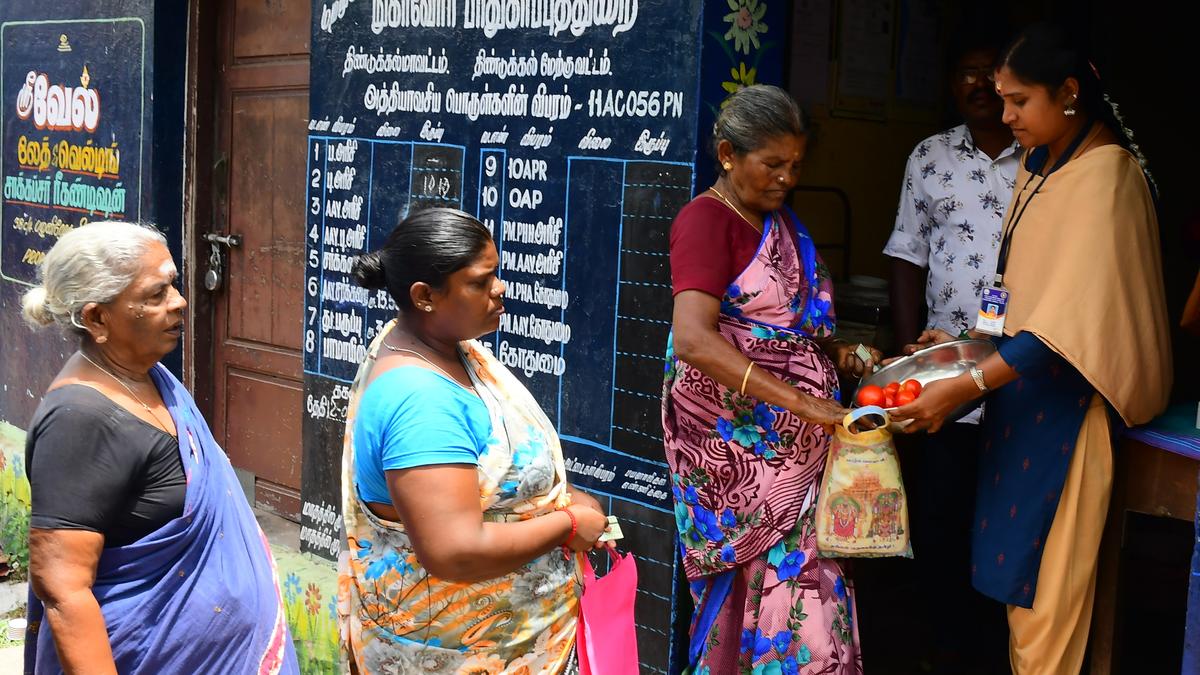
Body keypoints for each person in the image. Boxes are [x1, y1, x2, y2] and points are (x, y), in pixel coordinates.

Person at [894, 23, 1172, 674]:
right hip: (1019, 407)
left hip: (1068, 415)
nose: (1006, 113)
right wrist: (963, 347)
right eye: (1001, 96)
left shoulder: (1106, 178)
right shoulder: (1043, 166)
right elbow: (1017, 291)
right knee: (1019, 596)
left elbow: (1069, 325)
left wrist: (965, 385)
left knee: (1050, 612)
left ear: (1069, 93)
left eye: (1020, 100)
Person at [337, 208, 612, 674]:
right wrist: (566, 524)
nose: (501, 288)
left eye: (497, 273)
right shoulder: (420, 400)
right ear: (424, 296)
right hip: (456, 656)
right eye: (481, 281)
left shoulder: (440, 348)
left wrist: (554, 501)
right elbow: (454, 550)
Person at [664, 84, 880, 674]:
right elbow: (695, 339)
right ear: (728, 154)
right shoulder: (706, 221)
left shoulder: (782, 223)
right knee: (753, 589)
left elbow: (785, 333)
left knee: (810, 582)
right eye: (773, 164)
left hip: (801, 452)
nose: (787, 178)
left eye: (797, 165)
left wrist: (843, 354)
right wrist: (805, 405)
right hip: (737, 456)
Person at [20, 221, 297, 674]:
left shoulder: (148, 378)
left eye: (173, 284)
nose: (179, 301)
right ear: (96, 318)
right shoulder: (80, 421)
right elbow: (63, 588)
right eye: (154, 295)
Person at [881, 36, 1017, 673]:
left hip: (1022, 372)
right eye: (966, 73)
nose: (980, 87)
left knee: (1006, 516)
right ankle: (943, 640)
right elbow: (906, 256)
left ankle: (997, 646)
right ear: (951, 84)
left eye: (990, 74)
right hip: (944, 372)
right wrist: (910, 354)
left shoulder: (1043, 160)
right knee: (938, 514)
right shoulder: (929, 156)